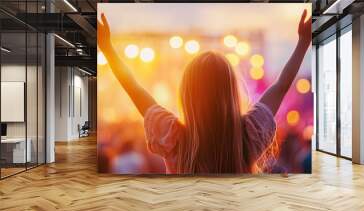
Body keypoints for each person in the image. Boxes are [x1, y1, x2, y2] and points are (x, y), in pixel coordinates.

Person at [97, 10, 311, 174]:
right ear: (230, 93)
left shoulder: (175, 138)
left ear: (187, 94)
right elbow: (281, 86)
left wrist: (108, 50)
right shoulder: (247, 136)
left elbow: (134, 88)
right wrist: (303, 43)